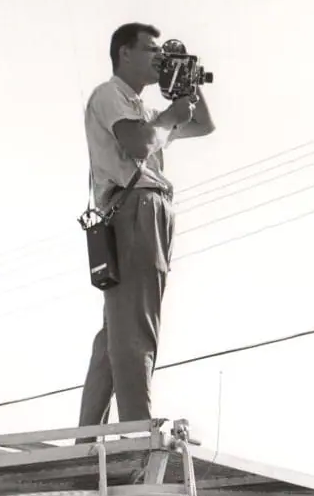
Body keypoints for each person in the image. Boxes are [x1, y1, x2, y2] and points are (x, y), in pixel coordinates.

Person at [77, 22, 215, 436]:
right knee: (136, 327)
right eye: (151, 50)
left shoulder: (146, 110)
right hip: (134, 206)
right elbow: (138, 145)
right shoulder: (111, 95)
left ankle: (90, 432)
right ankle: (136, 431)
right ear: (125, 54)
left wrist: (186, 82)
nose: (158, 59)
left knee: (116, 331)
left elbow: (204, 124)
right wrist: (172, 115)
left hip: (139, 208)